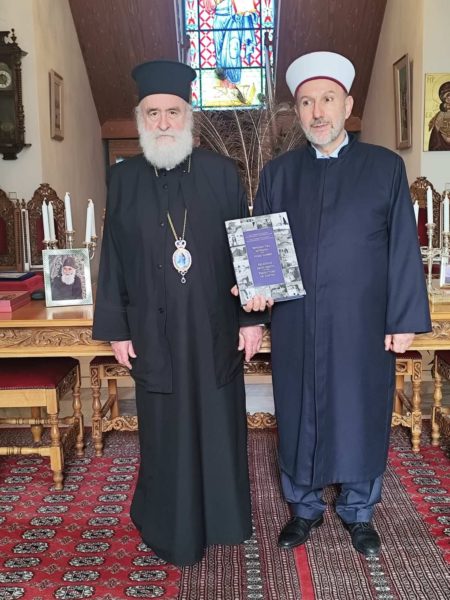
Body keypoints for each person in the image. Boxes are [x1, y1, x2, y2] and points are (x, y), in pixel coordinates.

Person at [240, 51, 431, 557]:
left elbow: (402, 248)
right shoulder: (278, 174)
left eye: (327, 99)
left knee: (360, 410)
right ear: (297, 113)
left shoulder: (385, 168)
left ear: (347, 106)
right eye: (306, 102)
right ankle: (303, 508)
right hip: (297, 321)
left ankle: (359, 511)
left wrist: (404, 318)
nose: (317, 111)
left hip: (362, 322)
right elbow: (261, 253)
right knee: (298, 409)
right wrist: (254, 299)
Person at [92, 59, 265, 567]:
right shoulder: (122, 179)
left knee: (218, 424)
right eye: (153, 113)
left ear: (188, 117)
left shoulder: (221, 173)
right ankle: (170, 526)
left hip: (214, 327)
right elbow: (113, 256)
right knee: (163, 429)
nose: (163, 122)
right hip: (153, 330)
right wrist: (117, 328)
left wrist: (251, 319)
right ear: (140, 119)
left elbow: (245, 248)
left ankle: (222, 520)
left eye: (173, 112)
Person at [204, 0, 257, 104]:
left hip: (234, 18)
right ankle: (223, 85)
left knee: (233, 50)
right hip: (219, 17)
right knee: (219, 54)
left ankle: (233, 85)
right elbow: (210, 6)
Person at [428, 80, 450, 151]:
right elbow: (437, 129)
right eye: (447, 96)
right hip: (442, 144)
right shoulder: (441, 114)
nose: (449, 98)